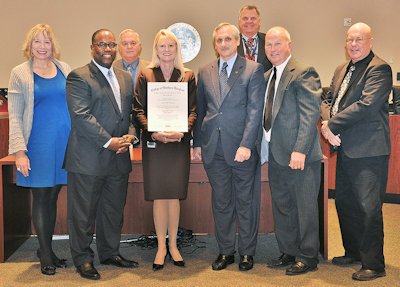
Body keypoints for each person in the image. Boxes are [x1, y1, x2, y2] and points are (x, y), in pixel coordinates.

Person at [65, 29, 138, 280]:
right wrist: (109, 141)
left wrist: (130, 136)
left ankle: (109, 252)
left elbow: (127, 115)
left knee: (112, 210)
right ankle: (83, 259)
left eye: (111, 44)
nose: (107, 49)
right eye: (101, 44)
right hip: (88, 158)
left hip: (118, 158)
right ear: (92, 47)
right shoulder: (78, 77)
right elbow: (81, 116)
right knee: (83, 213)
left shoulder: (125, 77)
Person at [321, 22, 392, 281]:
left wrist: (332, 125)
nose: (353, 44)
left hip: (369, 151)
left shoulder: (380, 68)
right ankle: (354, 252)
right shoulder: (342, 69)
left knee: (368, 207)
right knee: (346, 203)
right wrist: (327, 124)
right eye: (350, 39)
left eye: (359, 39)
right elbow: (329, 100)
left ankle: (374, 263)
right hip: (346, 148)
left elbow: (368, 104)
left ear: (370, 41)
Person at [193, 23, 265, 272]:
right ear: (215, 44)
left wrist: (247, 144)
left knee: (245, 201)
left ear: (237, 42)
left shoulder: (253, 70)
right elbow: (201, 109)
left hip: (241, 148)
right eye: (219, 40)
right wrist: (198, 142)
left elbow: (255, 111)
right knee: (221, 202)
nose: (223, 44)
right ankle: (226, 251)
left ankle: (247, 252)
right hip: (214, 148)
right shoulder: (204, 70)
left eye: (228, 39)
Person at [7, 24, 71, 276]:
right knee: (42, 197)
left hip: (64, 142)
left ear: (52, 45)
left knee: (53, 196)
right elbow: (14, 115)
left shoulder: (64, 68)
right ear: (30, 45)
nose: (42, 47)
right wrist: (19, 152)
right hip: (38, 144)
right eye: (37, 42)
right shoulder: (19, 73)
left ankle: (48, 248)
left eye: (47, 42)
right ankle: (45, 253)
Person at [133, 29, 197, 271]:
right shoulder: (146, 74)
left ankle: (174, 246)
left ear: (177, 49)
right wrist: (154, 132)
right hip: (155, 144)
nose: (167, 50)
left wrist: (183, 131)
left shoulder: (187, 75)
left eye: (171, 46)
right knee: (160, 195)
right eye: (162, 46)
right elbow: (138, 110)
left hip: (178, 144)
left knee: (175, 194)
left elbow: (193, 110)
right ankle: (161, 246)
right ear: (156, 49)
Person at [262, 27, 323, 276]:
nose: (273, 48)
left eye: (278, 43)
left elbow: (310, 115)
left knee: (305, 206)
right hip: (276, 153)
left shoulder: (304, 72)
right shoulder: (268, 75)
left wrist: (300, 150)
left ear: (289, 44)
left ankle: (308, 256)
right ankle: (288, 251)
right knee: (283, 206)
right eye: (269, 44)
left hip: (300, 156)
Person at [114, 29, 149, 146]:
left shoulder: (152, 68)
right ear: (119, 47)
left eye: (133, 43)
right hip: (118, 128)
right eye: (125, 43)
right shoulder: (110, 69)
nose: (129, 47)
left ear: (140, 47)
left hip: (146, 127)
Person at [237, 5, 272, 72]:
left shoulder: (269, 40)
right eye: (245, 18)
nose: (249, 21)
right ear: (239, 22)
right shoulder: (231, 43)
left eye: (253, 18)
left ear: (259, 21)